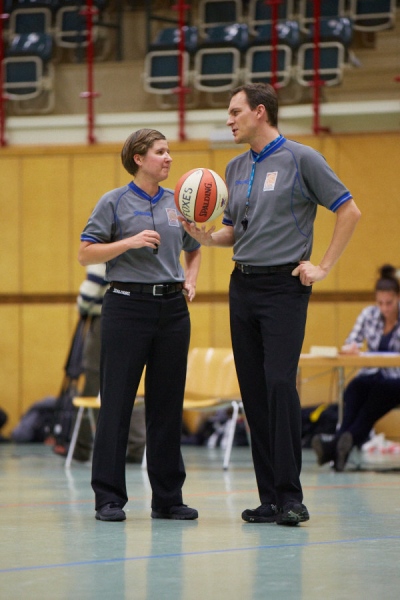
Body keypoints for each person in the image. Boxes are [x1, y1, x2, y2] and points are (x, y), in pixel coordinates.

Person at [181, 83, 361, 526]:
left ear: (260, 112)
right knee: (254, 392)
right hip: (242, 285)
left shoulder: (302, 159)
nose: (229, 120)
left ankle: (292, 497)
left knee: (280, 384)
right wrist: (206, 237)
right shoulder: (235, 166)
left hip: (284, 288)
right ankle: (269, 500)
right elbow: (233, 231)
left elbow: (349, 211)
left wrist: (323, 266)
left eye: (235, 112)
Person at [78, 128, 201, 522]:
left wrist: (191, 277)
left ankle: (168, 498)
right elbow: (85, 253)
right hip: (126, 307)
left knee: (167, 405)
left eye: (169, 151)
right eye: (160, 151)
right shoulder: (113, 202)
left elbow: (194, 248)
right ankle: (108, 498)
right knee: (117, 403)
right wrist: (127, 243)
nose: (168, 158)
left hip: (172, 310)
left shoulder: (178, 202)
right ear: (138, 158)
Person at [312, 264, 400, 472]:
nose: (385, 308)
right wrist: (351, 347)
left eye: (389, 303)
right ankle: (342, 445)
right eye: (380, 303)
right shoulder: (369, 314)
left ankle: (334, 446)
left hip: (396, 379)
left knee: (376, 395)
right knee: (354, 389)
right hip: (372, 375)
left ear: (398, 298)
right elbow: (351, 341)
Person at [72, 263, 146, 464]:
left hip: (105, 319)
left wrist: (82, 306)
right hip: (128, 317)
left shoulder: (103, 249)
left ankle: (82, 447)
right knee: (126, 382)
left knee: (94, 381)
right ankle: (136, 444)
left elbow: (91, 288)